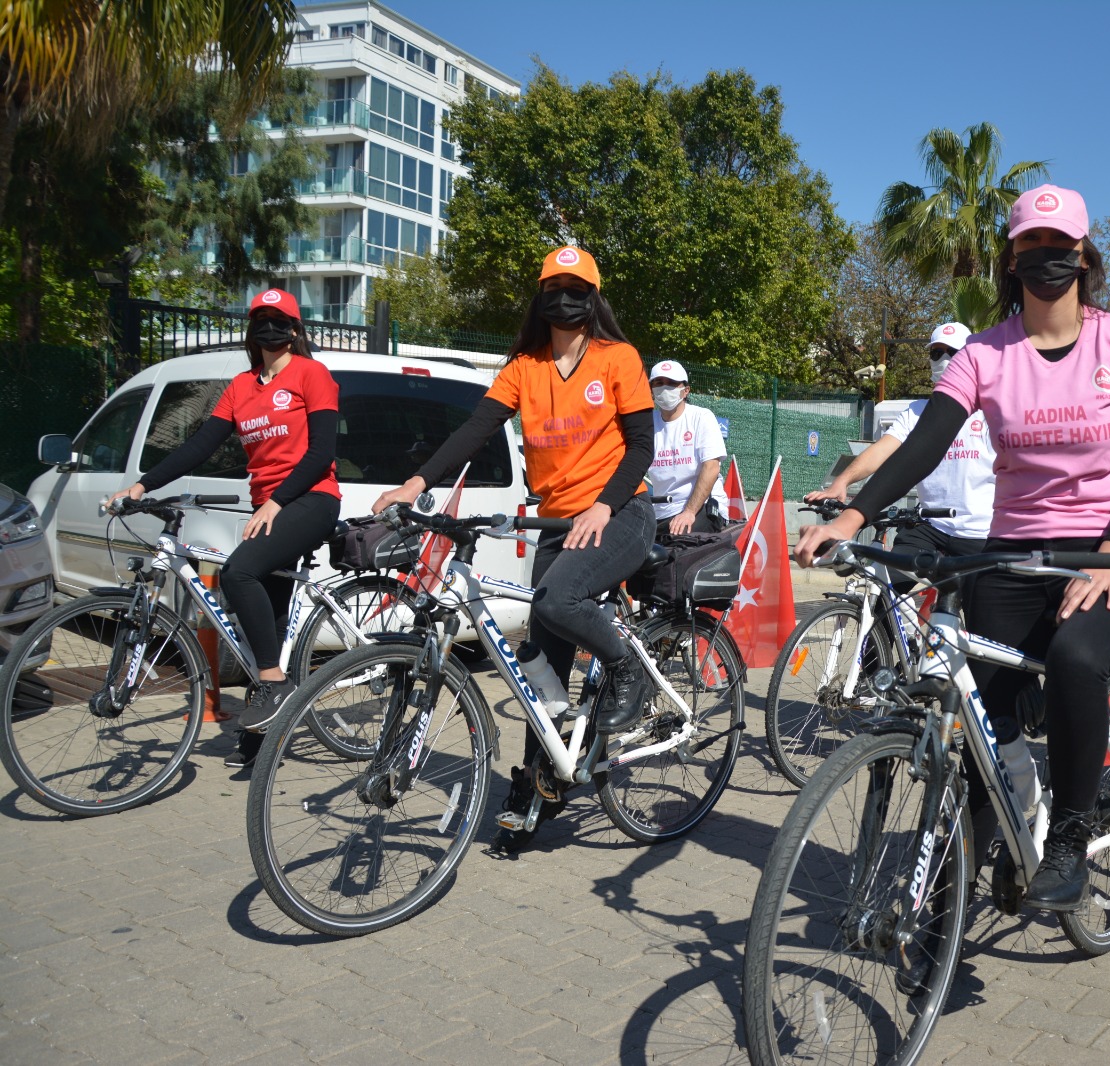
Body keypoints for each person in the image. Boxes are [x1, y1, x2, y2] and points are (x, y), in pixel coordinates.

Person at [796, 184, 1110, 912]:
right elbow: (925, 442)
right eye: (1031, 243)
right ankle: (965, 874)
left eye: (1060, 244)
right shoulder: (984, 353)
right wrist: (853, 516)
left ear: (1084, 255)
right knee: (980, 721)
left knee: (1075, 660)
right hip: (1012, 553)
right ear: (1011, 257)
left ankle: (1067, 840)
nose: (1046, 256)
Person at [371, 245, 655, 853]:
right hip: (558, 523)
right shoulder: (524, 367)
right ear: (541, 297)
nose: (565, 298)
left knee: (556, 601)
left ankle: (628, 669)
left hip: (621, 512)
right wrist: (416, 483)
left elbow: (640, 447)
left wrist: (604, 505)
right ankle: (537, 785)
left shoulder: (618, 358)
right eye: (554, 287)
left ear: (593, 298)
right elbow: (475, 430)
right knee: (540, 666)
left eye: (576, 288)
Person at [111, 288, 341, 769]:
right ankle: (264, 732)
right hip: (269, 507)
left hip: (311, 499)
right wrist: (142, 485)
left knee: (238, 573)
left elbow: (321, 452)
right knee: (266, 624)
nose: (270, 328)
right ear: (251, 331)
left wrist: (277, 501)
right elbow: (199, 446)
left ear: (295, 330)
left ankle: (274, 685)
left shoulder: (311, 373)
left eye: (280, 320)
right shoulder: (240, 387)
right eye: (261, 320)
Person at [807, 321, 994, 579]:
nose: (944, 359)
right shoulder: (916, 411)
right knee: (882, 585)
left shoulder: (989, 412)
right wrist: (841, 482)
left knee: (977, 602)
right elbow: (881, 451)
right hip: (929, 528)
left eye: (953, 352)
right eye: (936, 353)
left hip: (981, 533)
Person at [646, 359, 729, 535]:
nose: (665, 388)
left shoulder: (701, 417)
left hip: (701, 507)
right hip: (661, 511)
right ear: (651, 390)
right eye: (658, 383)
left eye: (671, 383)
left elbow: (711, 467)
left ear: (686, 390)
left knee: (679, 540)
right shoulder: (647, 423)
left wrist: (689, 512)